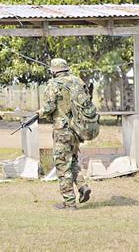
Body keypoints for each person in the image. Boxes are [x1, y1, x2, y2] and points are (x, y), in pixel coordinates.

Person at [37, 58, 92, 210]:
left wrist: (39, 112)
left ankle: (69, 203)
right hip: (77, 129)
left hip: (62, 130)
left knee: (62, 165)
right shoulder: (78, 82)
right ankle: (82, 186)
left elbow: (49, 107)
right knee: (72, 160)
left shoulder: (53, 84)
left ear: (54, 71)